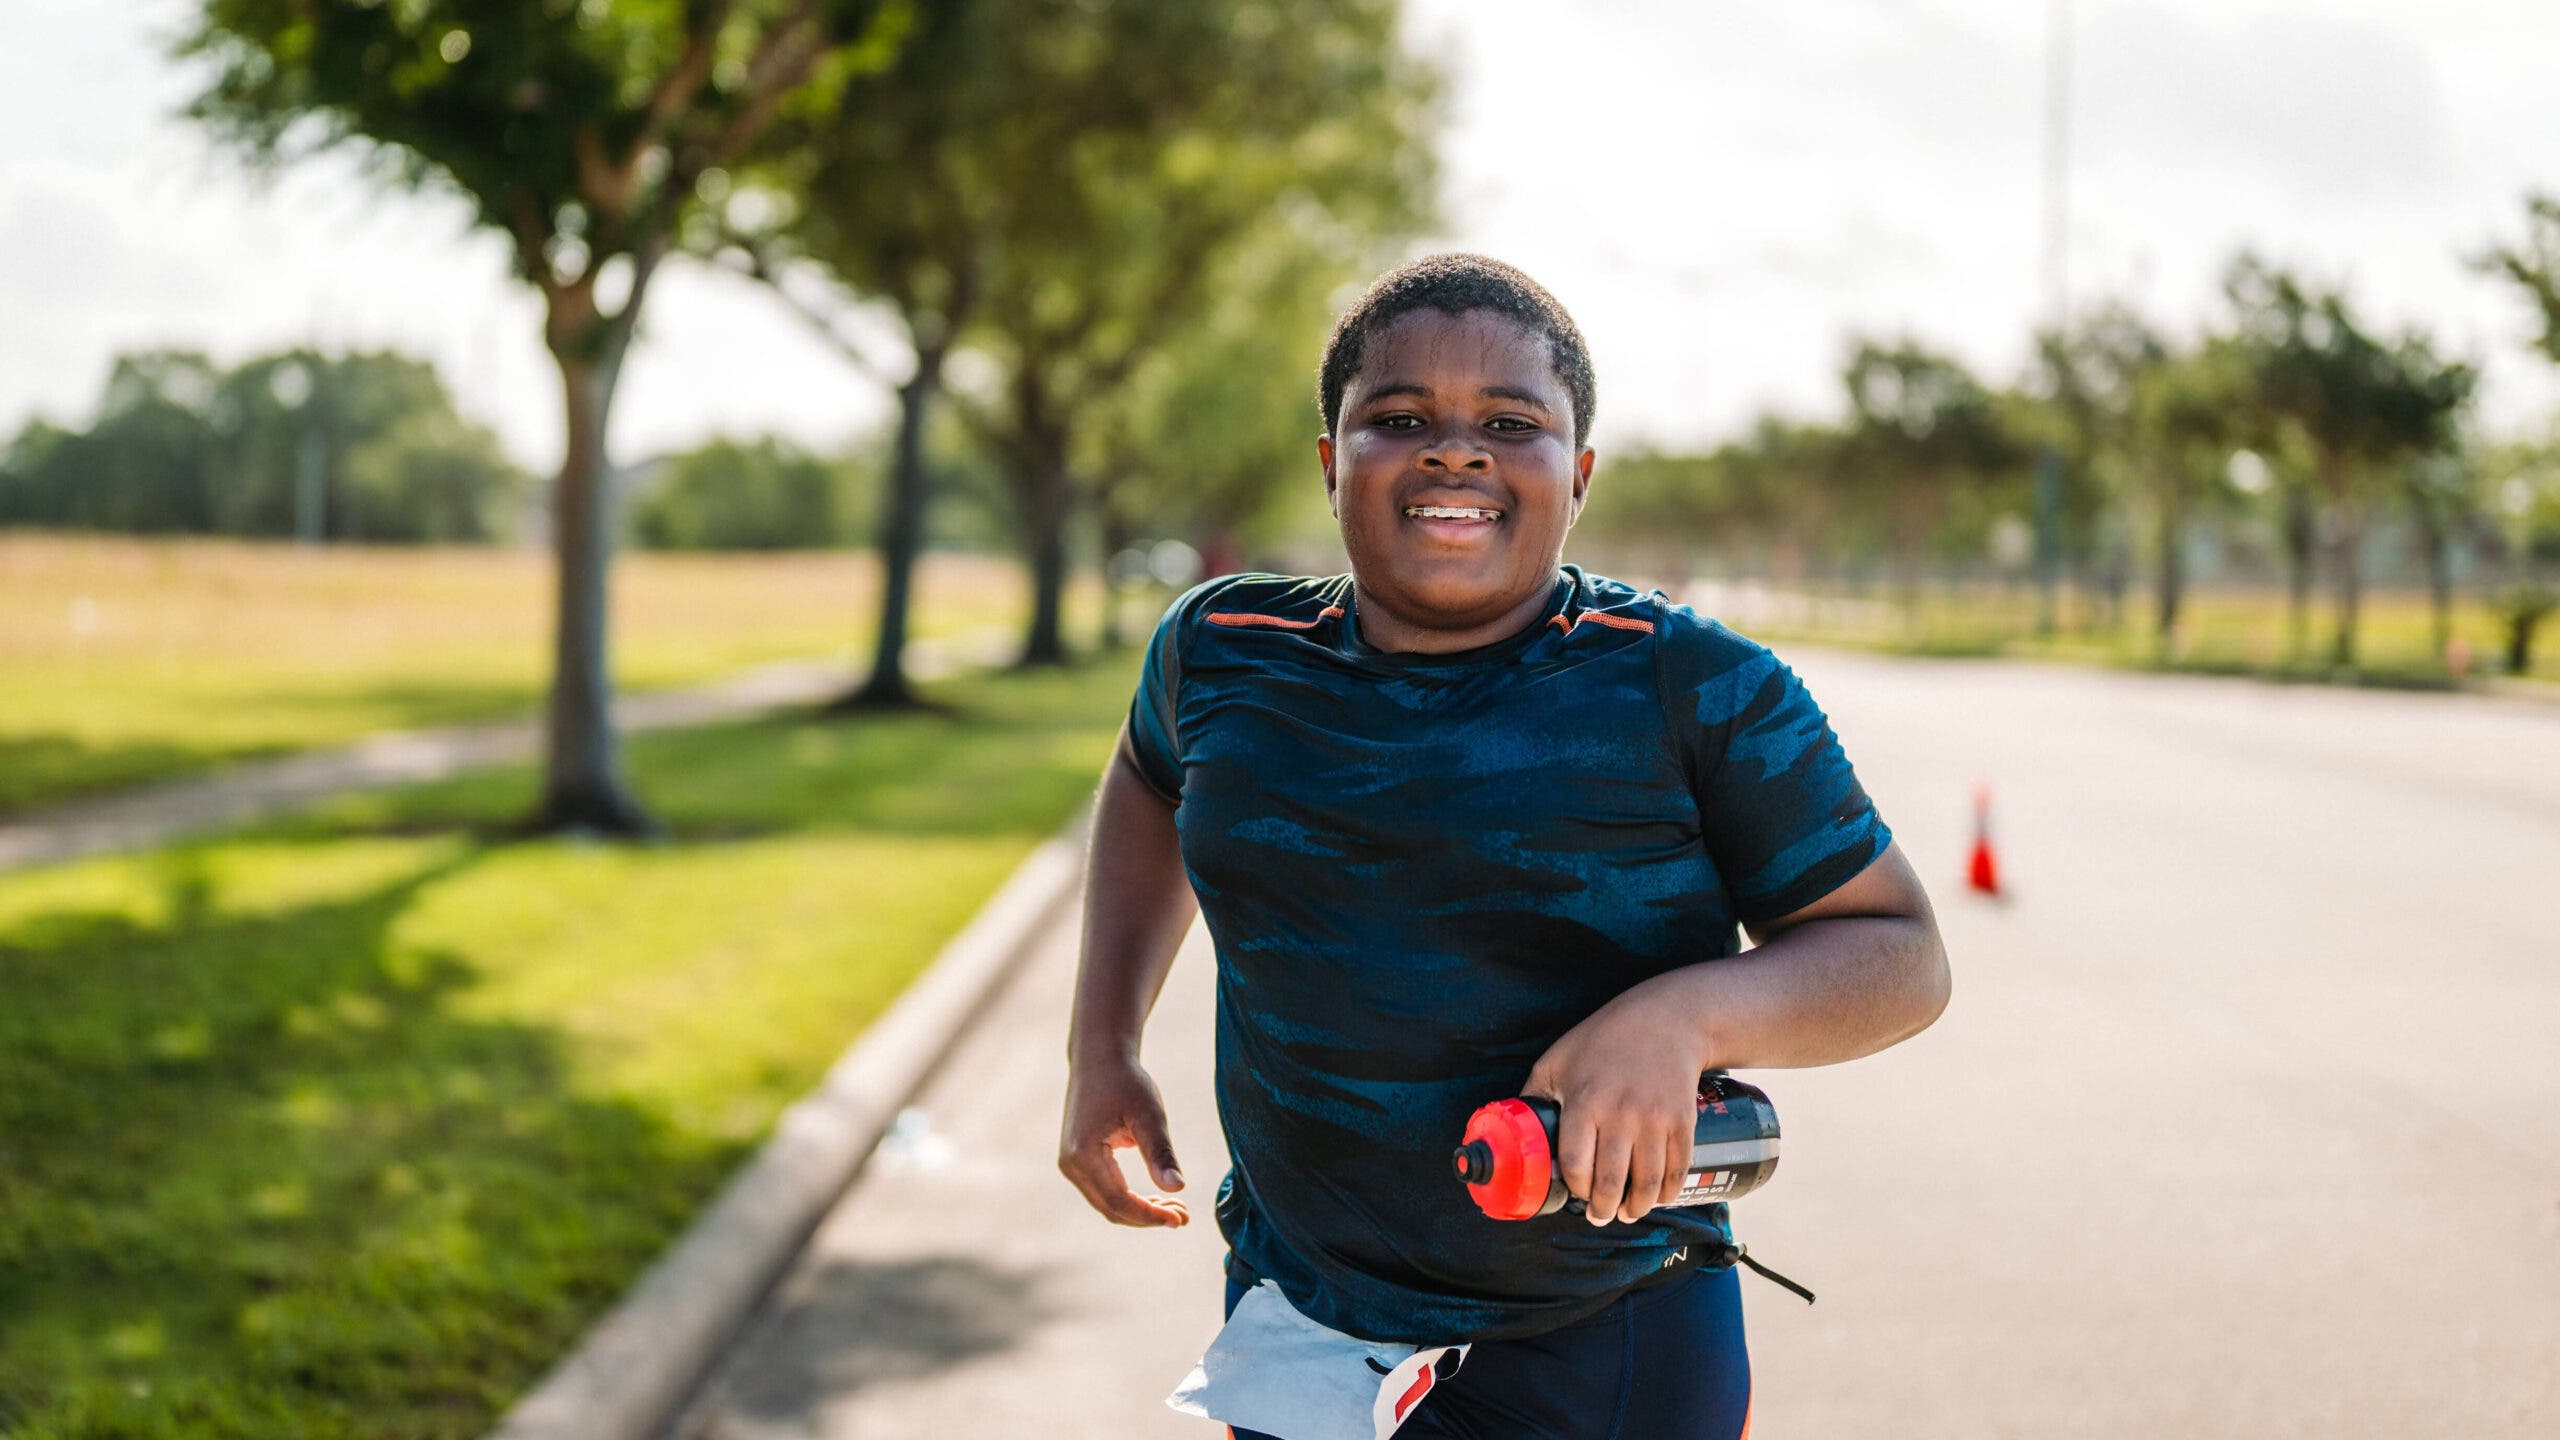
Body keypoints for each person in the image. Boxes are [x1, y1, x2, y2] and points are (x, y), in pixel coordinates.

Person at [1059, 253, 1951, 1439]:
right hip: (1300, 1323)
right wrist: (1101, 1047)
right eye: (1399, 417)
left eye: (1509, 421)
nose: (1453, 449)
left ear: (1576, 475)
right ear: (1331, 464)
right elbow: (1146, 776)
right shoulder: (1220, 649)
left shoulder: (1692, 685)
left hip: (1605, 1335)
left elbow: (1899, 957)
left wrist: (1680, 1019)